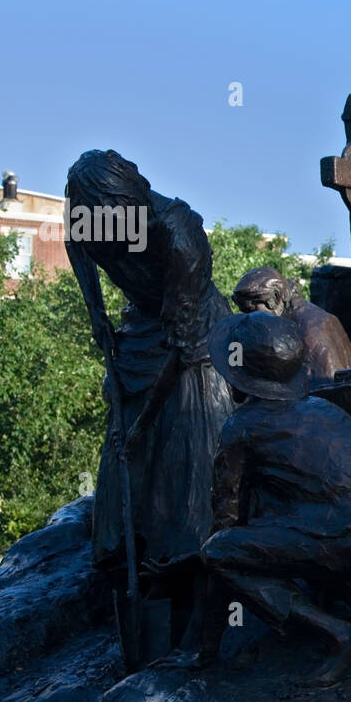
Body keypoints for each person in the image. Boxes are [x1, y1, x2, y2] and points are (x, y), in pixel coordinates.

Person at [158, 311, 351, 684]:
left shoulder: (241, 428)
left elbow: (222, 538)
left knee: (224, 552)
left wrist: (205, 648)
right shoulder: (323, 409)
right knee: (298, 531)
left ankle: (341, 634)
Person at [64, 150, 234, 576]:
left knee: (187, 434)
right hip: (142, 324)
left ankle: (189, 554)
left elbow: (180, 348)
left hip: (192, 334)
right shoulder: (91, 218)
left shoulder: (180, 234)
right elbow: (75, 242)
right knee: (123, 444)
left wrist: (140, 429)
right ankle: (124, 548)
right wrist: (95, 311)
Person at [231, 267, 351, 383]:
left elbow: (322, 387)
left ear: (275, 298)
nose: (251, 319)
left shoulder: (309, 327)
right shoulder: (299, 317)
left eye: (252, 311)